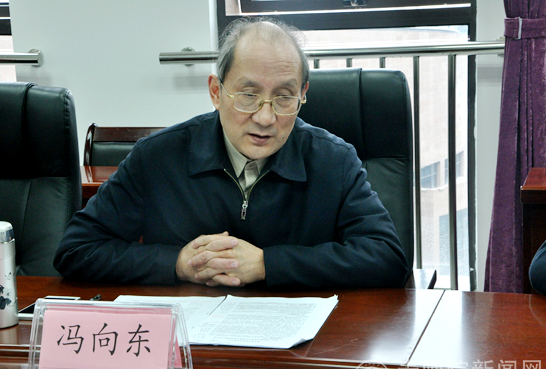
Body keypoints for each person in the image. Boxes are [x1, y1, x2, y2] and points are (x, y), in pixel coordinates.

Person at [54, 18, 409, 288]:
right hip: (191, 342)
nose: (265, 118)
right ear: (216, 92)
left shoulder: (334, 160)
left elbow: (387, 257)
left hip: (302, 347)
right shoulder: (157, 157)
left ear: (303, 94)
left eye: (284, 97)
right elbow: (76, 250)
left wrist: (268, 264)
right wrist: (177, 263)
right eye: (248, 95)